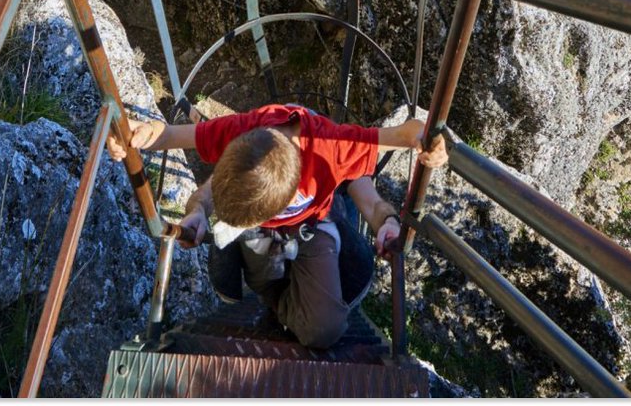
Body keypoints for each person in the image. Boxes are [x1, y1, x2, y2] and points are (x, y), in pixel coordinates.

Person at [107, 103, 446, 348]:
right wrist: (138, 132)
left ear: (285, 199)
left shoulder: (332, 148)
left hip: (314, 225)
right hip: (264, 235)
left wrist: (429, 138)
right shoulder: (238, 132)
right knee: (262, 274)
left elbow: (406, 133)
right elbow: (168, 134)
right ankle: (280, 300)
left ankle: (298, 293)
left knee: (324, 332)